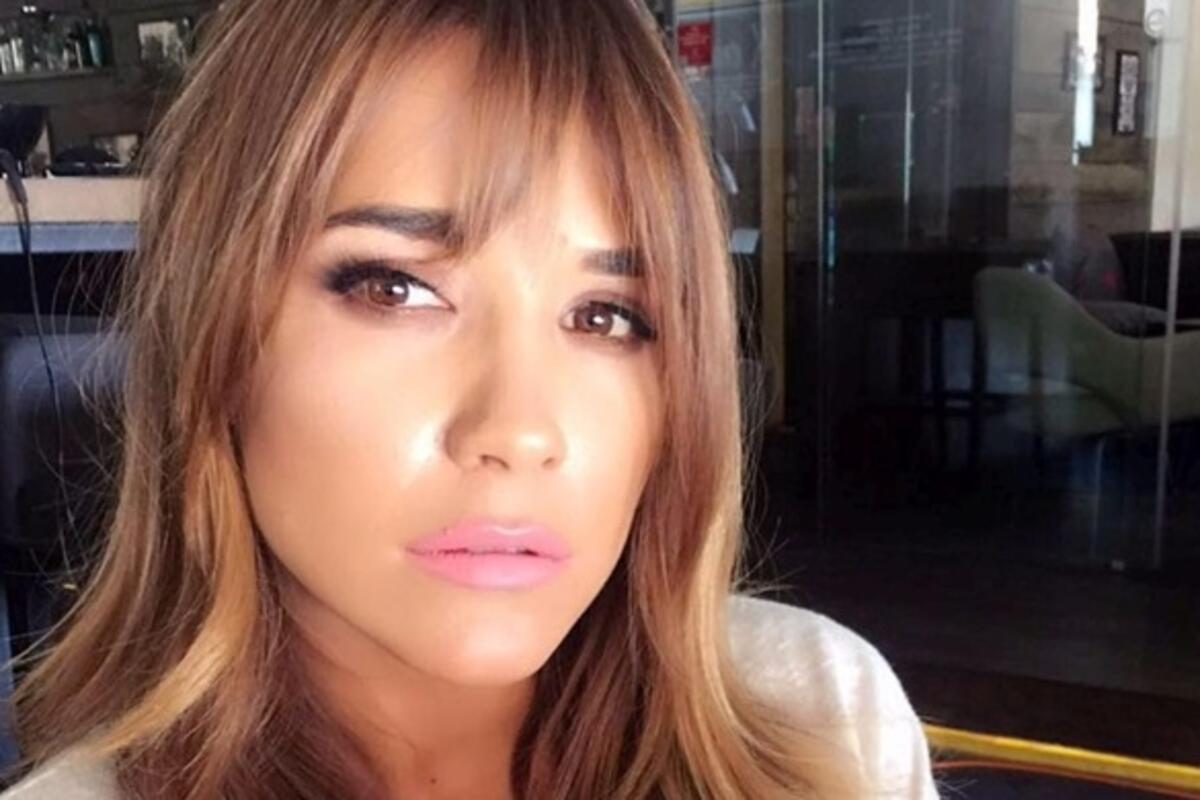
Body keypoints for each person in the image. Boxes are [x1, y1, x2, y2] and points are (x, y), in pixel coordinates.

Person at [0, 1, 939, 797]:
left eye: (608, 315)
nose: (520, 431)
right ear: (211, 325)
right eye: (395, 288)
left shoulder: (826, 722)